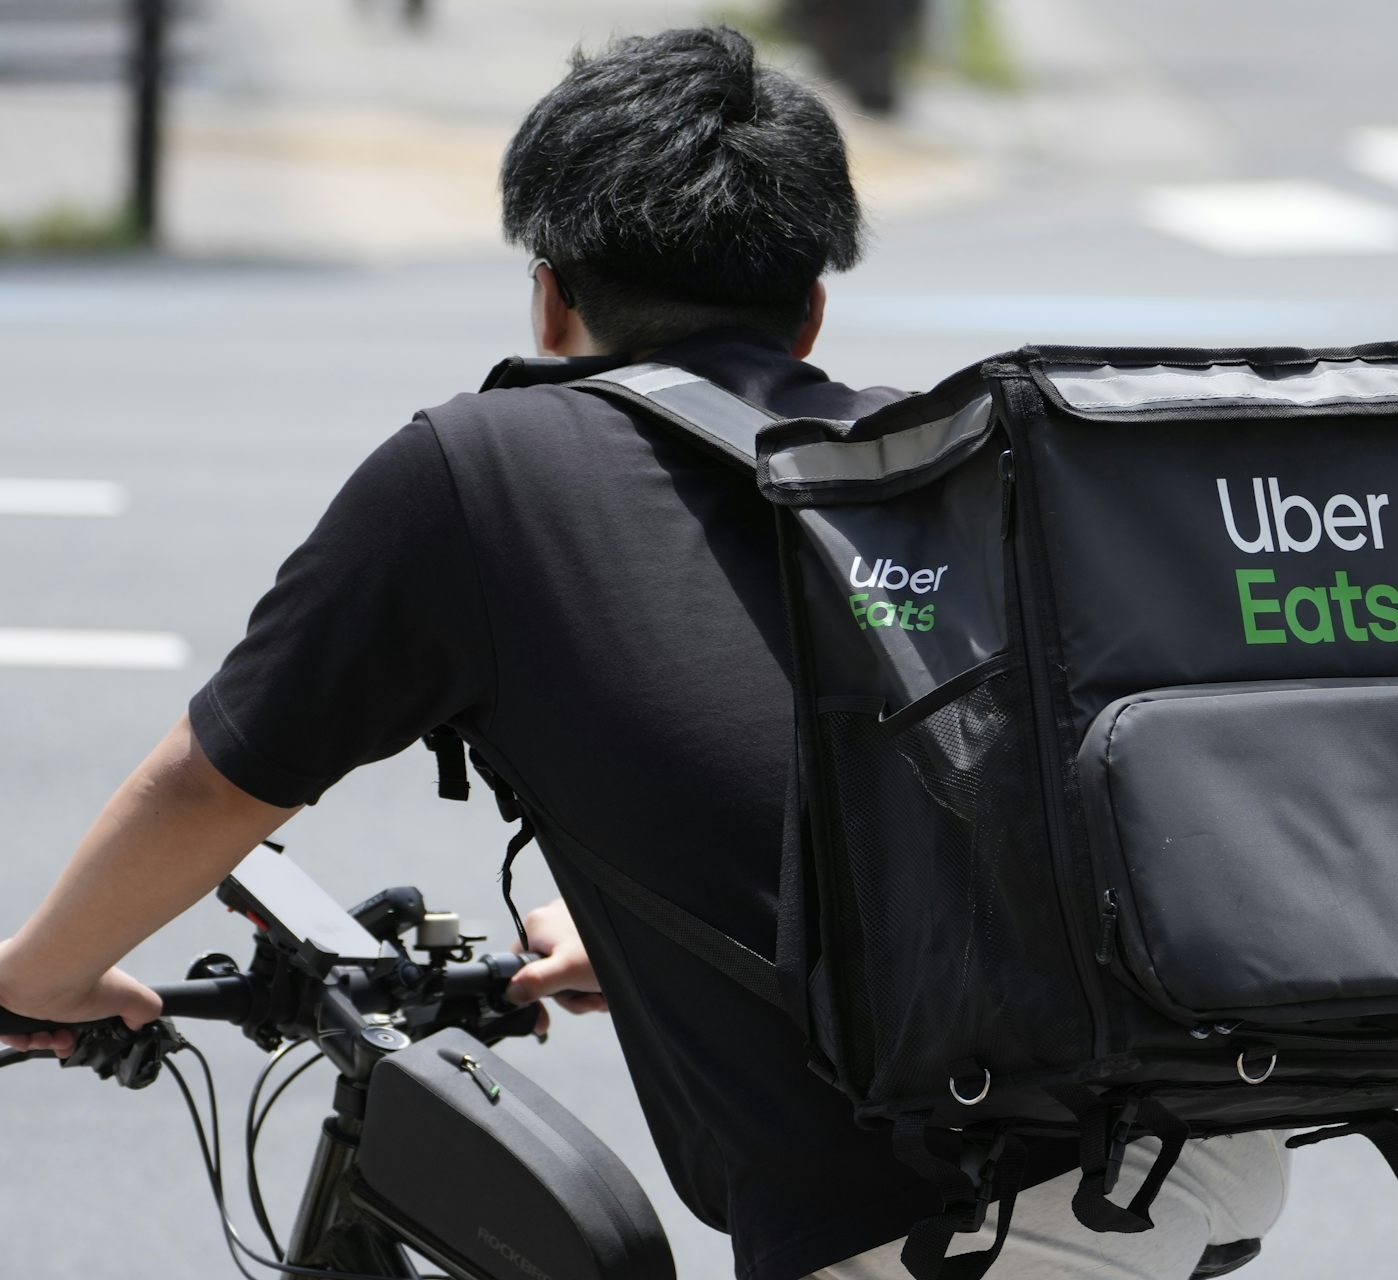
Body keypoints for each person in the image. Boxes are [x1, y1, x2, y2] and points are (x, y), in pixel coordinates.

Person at [0, 27, 1286, 1280]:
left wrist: (41, 976)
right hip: (1186, 1127)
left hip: (961, 1212)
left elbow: (214, 781)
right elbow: (905, 768)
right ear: (811, 312)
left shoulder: (480, 472)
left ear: (551, 295)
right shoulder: (914, 455)